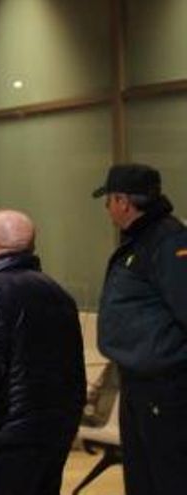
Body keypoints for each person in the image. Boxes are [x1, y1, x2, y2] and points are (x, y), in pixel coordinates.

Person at [0, 210, 85, 495]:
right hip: (54, 434)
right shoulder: (59, 294)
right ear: (32, 246)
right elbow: (74, 373)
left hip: (3, 440)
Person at [92, 163, 187, 494]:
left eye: (108, 201)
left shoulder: (168, 242)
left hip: (166, 387)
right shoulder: (141, 240)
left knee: (167, 478)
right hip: (139, 385)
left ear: (122, 202)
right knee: (143, 479)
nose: (107, 210)